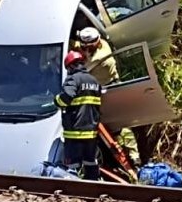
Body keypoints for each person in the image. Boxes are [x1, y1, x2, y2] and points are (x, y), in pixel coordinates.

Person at [75, 27, 140, 167]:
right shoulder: (101, 43)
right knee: (115, 126)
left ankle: (133, 156)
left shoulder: (101, 57)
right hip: (99, 90)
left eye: (86, 46)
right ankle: (123, 152)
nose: (84, 48)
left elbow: (83, 68)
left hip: (110, 89)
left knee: (121, 124)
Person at [54, 51, 102, 181]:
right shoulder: (94, 81)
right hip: (91, 132)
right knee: (90, 162)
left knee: (72, 166)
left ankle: (73, 191)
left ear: (70, 67)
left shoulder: (73, 79)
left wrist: (56, 100)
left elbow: (66, 97)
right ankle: (93, 188)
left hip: (74, 133)